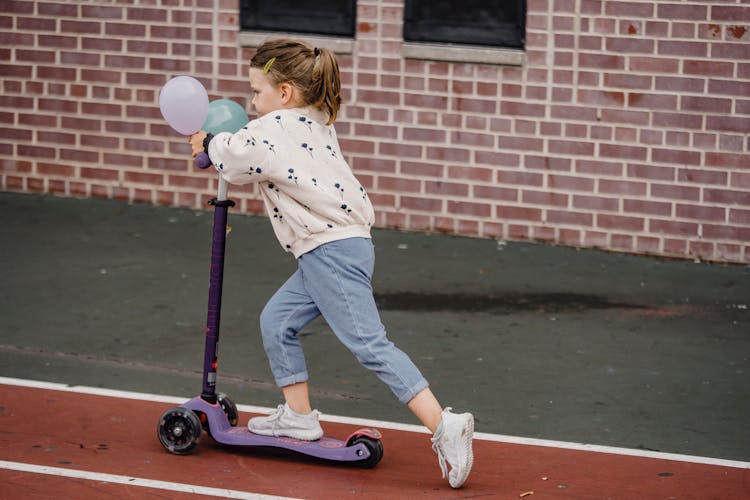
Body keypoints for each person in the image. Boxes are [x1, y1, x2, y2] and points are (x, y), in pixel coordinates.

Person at [189, 39, 474, 488]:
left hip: (330, 251)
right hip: (339, 247)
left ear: (283, 93)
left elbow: (237, 158)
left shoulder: (274, 127)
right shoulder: (313, 122)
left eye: (256, 92)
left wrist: (209, 141)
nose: (252, 102)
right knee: (277, 321)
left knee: (369, 343)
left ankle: (444, 424)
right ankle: (299, 417)